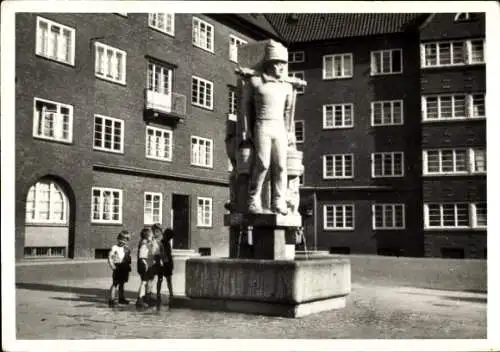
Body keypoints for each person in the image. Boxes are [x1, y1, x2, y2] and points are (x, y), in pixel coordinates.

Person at [243, 40, 294, 215]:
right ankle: (253, 199)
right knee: (263, 164)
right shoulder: (256, 81)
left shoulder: (287, 86)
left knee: (281, 166)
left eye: (283, 65)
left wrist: (289, 132)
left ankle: (278, 201)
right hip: (262, 125)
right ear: (270, 64)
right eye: (278, 64)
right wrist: (246, 129)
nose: (281, 68)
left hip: (279, 127)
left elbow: (288, 113)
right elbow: (246, 107)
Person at [107, 230, 132, 307]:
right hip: (117, 267)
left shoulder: (126, 248)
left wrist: (129, 267)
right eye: (122, 240)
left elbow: (128, 259)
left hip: (124, 267)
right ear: (118, 239)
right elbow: (110, 257)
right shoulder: (114, 247)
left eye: (125, 240)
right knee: (115, 283)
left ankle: (121, 298)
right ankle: (111, 299)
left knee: (122, 283)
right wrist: (112, 266)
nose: (123, 242)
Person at [136, 227, 154, 308]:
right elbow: (142, 256)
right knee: (144, 282)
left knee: (145, 282)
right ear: (147, 235)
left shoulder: (146, 242)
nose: (152, 235)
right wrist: (146, 264)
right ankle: (139, 300)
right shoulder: (144, 243)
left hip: (144, 264)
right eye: (151, 234)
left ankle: (143, 299)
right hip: (144, 264)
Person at [157, 228, 175, 307]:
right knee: (168, 280)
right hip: (165, 263)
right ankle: (171, 294)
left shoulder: (164, 242)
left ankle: (158, 294)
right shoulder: (164, 243)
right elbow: (164, 254)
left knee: (160, 279)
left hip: (164, 263)